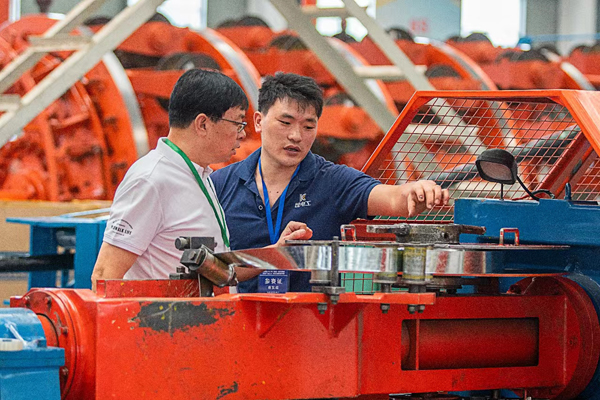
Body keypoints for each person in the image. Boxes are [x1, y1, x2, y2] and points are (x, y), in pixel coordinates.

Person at [211, 72, 450, 293]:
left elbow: (392, 197)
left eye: (308, 126)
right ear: (258, 121)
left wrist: (415, 190)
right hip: (234, 318)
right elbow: (207, 265)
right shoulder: (220, 184)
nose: (296, 136)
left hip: (314, 320)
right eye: (285, 122)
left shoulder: (333, 182)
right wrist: (276, 253)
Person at [91, 69, 310, 291]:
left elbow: (220, 273)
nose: (242, 134)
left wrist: (276, 251)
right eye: (237, 123)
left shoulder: (200, 176)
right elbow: (104, 276)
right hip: (166, 315)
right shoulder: (151, 179)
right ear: (203, 124)